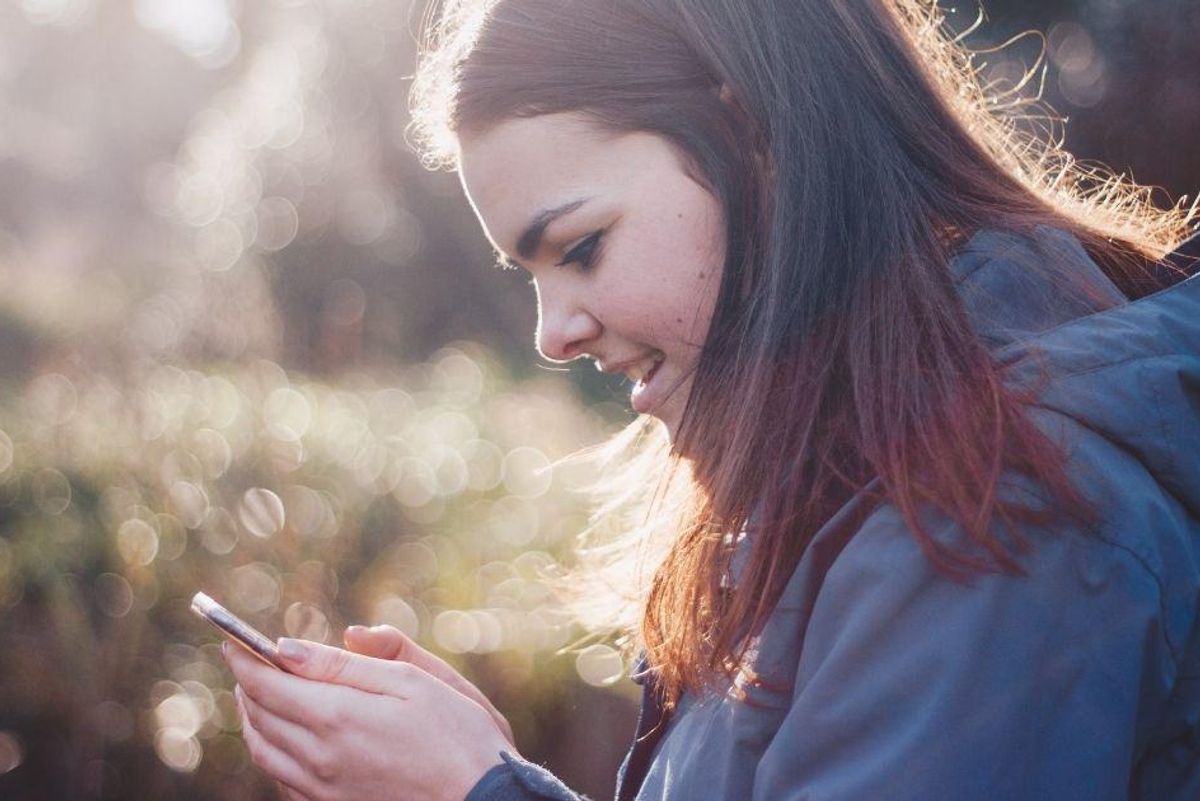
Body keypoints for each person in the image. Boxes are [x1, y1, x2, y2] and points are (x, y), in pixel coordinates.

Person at [222, 0, 1200, 799]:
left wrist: (473, 791)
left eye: (580, 248)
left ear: (754, 142)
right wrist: (482, 773)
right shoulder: (876, 466)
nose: (550, 332)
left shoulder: (994, 508)